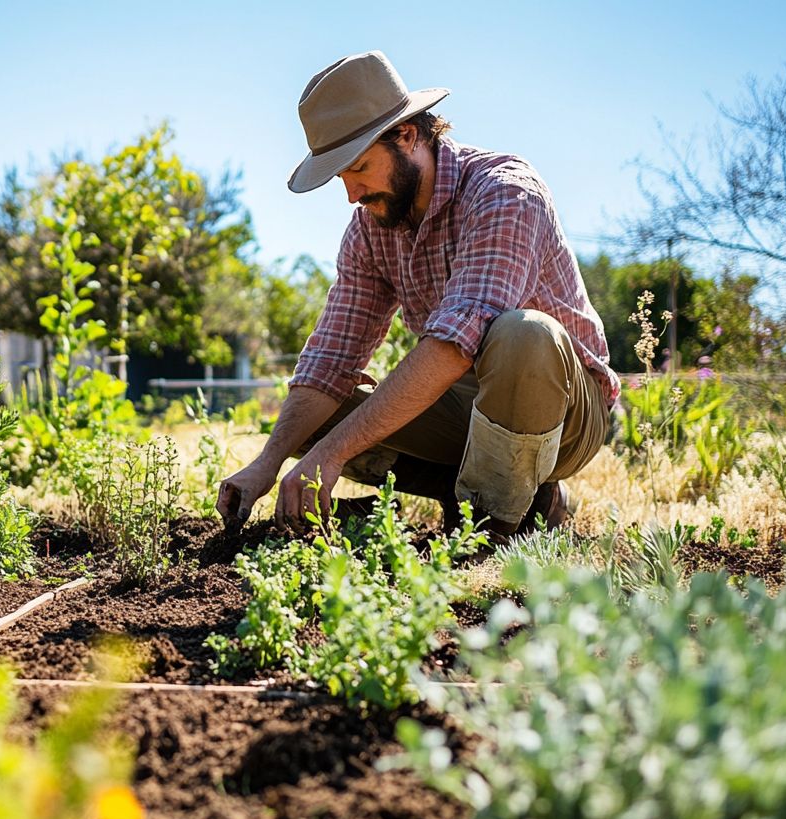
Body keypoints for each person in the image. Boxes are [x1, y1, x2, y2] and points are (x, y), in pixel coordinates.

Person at [216, 50, 619, 542]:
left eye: (359, 168)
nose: (351, 194)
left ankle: (490, 532)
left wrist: (337, 453)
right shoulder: (370, 229)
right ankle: (509, 499)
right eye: (341, 177)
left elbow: (454, 345)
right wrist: (267, 462)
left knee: (522, 333)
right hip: (464, 408)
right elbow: (330, 357)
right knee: (310, 418)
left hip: (563, 413)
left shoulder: (505, 192)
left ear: (406, 135)